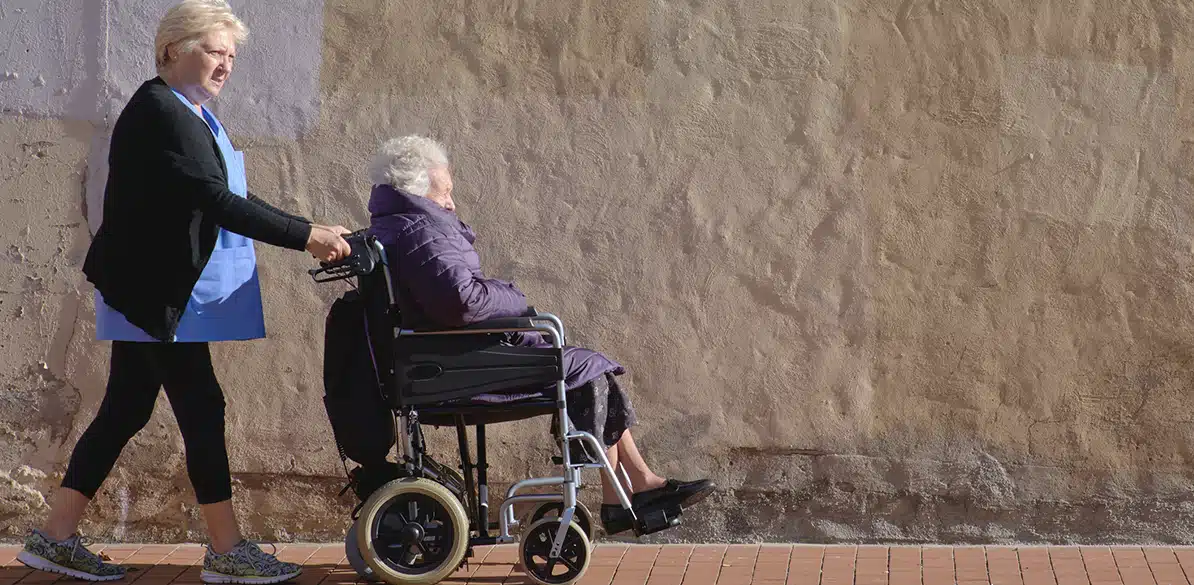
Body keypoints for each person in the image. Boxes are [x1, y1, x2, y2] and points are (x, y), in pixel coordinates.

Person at [17, 1, 352, 583]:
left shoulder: (187, 111)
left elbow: (222, 194)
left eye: (232, 56)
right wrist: (306, 237)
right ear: (172, 50)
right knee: (200, 406)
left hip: (151, 291)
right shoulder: (161, 111)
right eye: (215, 51)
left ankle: (55, 536)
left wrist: (310, 226)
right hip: (153, 295)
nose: (226, 65)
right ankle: (226, 550)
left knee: (127, 409)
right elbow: (216, 200)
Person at [364, 135, 716, 535]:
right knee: (586, 369)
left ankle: (634, 488)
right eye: (444, 193)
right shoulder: (421, 232)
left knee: (589, 368)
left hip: (452, 357)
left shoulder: (404, 226)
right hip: (456, 367)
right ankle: (623, 495)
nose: (451, 203)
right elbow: (462, 303)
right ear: (417, 191)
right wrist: (512, 296)